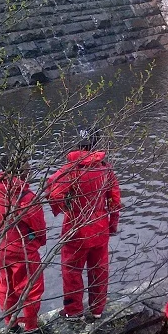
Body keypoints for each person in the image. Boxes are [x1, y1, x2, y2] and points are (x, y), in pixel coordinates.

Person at [46, 129, 121, 321]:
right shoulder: (106, 169)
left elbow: (54, 192)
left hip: (76, 228)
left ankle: (74, 311)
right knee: (99, 270)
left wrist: (65, 208)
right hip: (100, 227)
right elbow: (114, 200)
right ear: (96, 145)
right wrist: (112, 225)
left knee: (72, 271)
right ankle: (97, 309)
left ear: (78, 145)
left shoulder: (70, 170)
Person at [0, 157, 47, 334]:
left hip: (1, 246)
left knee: (6, 285)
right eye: (27, 170)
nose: (29, 173)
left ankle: (11, 325)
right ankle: (31, 329)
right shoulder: (26, 197)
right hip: (22, 249)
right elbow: (39, 226)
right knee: (31, 288)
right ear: (20, 172)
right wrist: (38, 241)